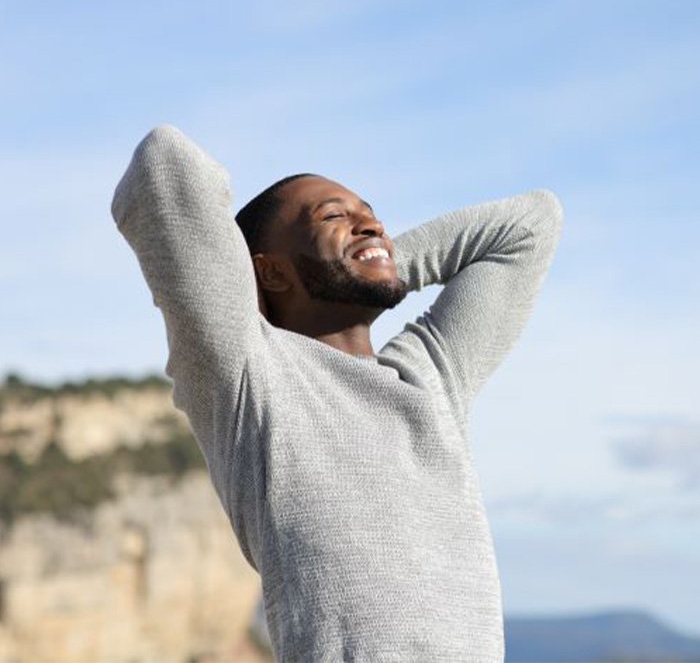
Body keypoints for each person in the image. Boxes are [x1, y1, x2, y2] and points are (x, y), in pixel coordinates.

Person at [112, 125, 563, 663]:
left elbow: (532, 223)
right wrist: (290, 284)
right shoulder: (246, 371)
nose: (370, 223)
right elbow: (164, 163)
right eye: (332, 216)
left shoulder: (430, 377)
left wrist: (377, 263)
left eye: (370, 213)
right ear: (269, 271)